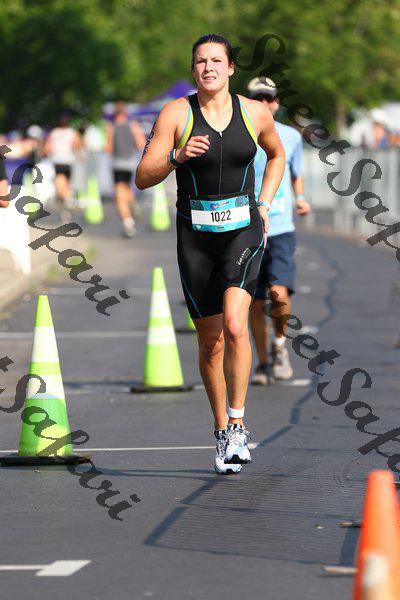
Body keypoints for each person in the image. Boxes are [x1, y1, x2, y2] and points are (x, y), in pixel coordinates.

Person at [136, 34, 285, 474]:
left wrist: (264, 203)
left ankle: (238, 425)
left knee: (237, 325)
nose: (209, 68)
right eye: (201, 61)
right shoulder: (176, 113)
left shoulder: (254, 112)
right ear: (193, 69)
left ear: (231, 67)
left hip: (243, 229)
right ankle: (221, 430)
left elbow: (276, 155)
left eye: (217, 61)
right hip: (196, 237)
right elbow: (143, 176)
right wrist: (177, 156)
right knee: (211, 341)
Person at [247, 77, 311, 385]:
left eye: (269, 97)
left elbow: (296, 172)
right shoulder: (241, 134)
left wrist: (300, 198)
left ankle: (280, 346)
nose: (264, 103)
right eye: (257, 97)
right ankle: (262, 363)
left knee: (278, 291)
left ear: (277, 102)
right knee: (255, 302)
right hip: (248, 228)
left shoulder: (291, 136)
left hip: (281, 227)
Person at [105, 101, 146, 237]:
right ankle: (133, 203)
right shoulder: (133, 125)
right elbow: (141, 144)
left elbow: (108, 148)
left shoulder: (111, 127)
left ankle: (128, 223)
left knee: (119, 195)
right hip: (131, 164)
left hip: (118, 164)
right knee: (127, 189)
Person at [44, 114, 83, 219]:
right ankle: (66, 208)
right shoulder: (72, 132)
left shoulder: (55, 132)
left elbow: (48, 148)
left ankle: (67, 200)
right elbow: (78, 145)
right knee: (66, 184)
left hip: (58, 161)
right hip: (69, 161)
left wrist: (46, 153)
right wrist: (79, 155)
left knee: (60, 183)